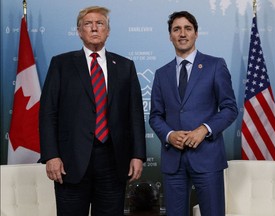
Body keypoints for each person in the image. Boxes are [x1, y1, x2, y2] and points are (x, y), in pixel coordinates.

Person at [39, 6, 146, 216]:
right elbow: (48, 113)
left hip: (113, 162)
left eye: (100, 24)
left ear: (108, 31)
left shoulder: (125, 66)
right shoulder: (61, 64)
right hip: (70, 163)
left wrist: (138, 155)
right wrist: (51, 155)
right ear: (79, 31)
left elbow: (135, 115)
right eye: (88, 24)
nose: (94, 28)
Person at [149, 11, 238, 216]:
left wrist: (204, 129)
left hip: (207, 156)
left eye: (187, 28)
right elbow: (155, 115)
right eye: (176, 29)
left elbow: (230, 108)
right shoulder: (161, 74)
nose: (182, 33)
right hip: (174, 159)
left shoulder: (215, 65)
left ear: (196, 34)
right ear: (170, 35)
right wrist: (170, 135)